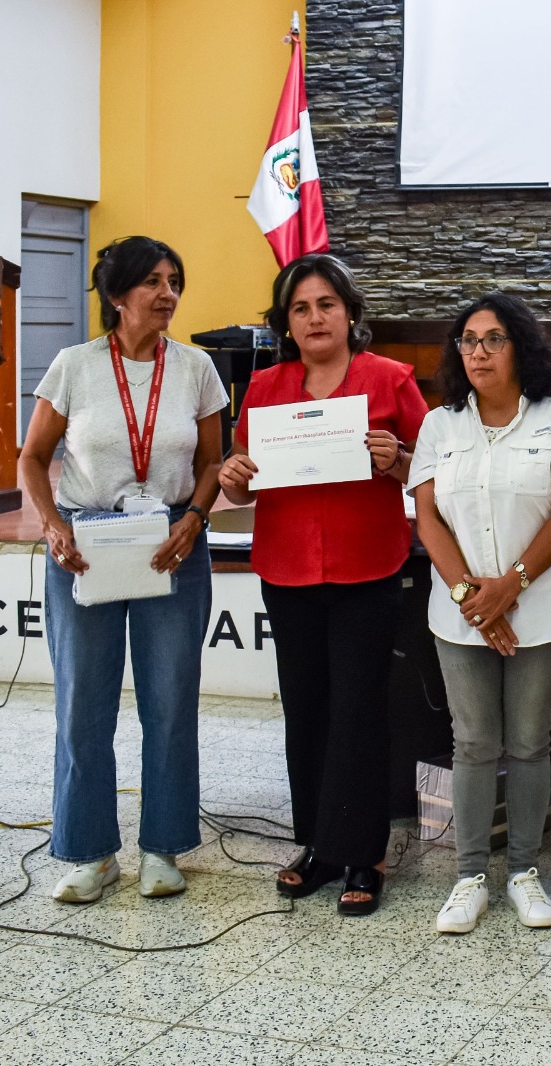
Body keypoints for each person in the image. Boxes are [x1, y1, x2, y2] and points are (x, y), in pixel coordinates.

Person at [218, 254, 427, 917]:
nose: (315, 317)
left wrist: (399, 461)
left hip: (370, 569)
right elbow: (243, 475)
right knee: (305, 711)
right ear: (286, 320)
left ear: (350, 312)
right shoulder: (266, 387)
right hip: (288, 570)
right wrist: (233, 479)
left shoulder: (391, 379)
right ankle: (316, 844)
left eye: (327, 304)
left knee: (359, 713)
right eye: (301, 308)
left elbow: (435, 470)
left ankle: (363, 853)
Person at [19, 236, 227, 903]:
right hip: (85, 545)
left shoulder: (196, 369)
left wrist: (193, 521)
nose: (168, 293)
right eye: (154, 282)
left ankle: (163, 848)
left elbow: (211, 465)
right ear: (117, 296)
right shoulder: (73, 366)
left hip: (173, 542)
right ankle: (90, 853)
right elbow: (32, 458)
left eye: (175, 280)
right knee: (84, 706)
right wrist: (52, 527)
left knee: (169, 706)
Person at [408, 292, 551, 934]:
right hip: (461, 612)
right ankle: (468, 878)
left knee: (526, 741)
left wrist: (510, 586)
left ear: (521, 347)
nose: (478, 352)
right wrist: (472, 595)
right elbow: (428, 516)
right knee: (471, 742)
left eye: (493, 340)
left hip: (541, 609)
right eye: (467, 341)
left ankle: (522, 871)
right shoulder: (441, 425)